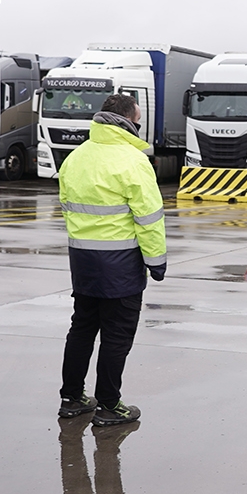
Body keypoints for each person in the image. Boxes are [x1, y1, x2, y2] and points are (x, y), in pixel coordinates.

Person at [56, 93, 166, 427]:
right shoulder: (133, 161)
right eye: (138, 120)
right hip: (121, 264)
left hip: (83, 261)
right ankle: (109, 405)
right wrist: (156, 261)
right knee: (117, 336)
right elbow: (149, 218)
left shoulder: (76, 157)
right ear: (128, 121)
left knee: (82, 329)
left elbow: (67, 208)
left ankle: (72, 398)